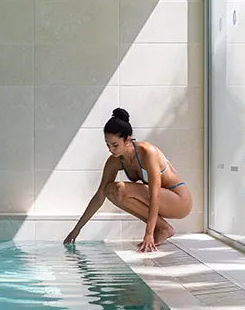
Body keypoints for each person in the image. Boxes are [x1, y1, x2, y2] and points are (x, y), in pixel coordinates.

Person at [63, 108, 192, 252]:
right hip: (161, 199)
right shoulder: (115, 161)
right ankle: (163, 228)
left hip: (179, 200)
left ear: (128, 139)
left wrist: (148, 234)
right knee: (110, 191)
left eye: (115, 145)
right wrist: (76, 230)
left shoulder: (148, 152)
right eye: (108, 145)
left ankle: (160, 229)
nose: (111, 149)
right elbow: (100, 196)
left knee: (120, 188)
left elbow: (154, 195)